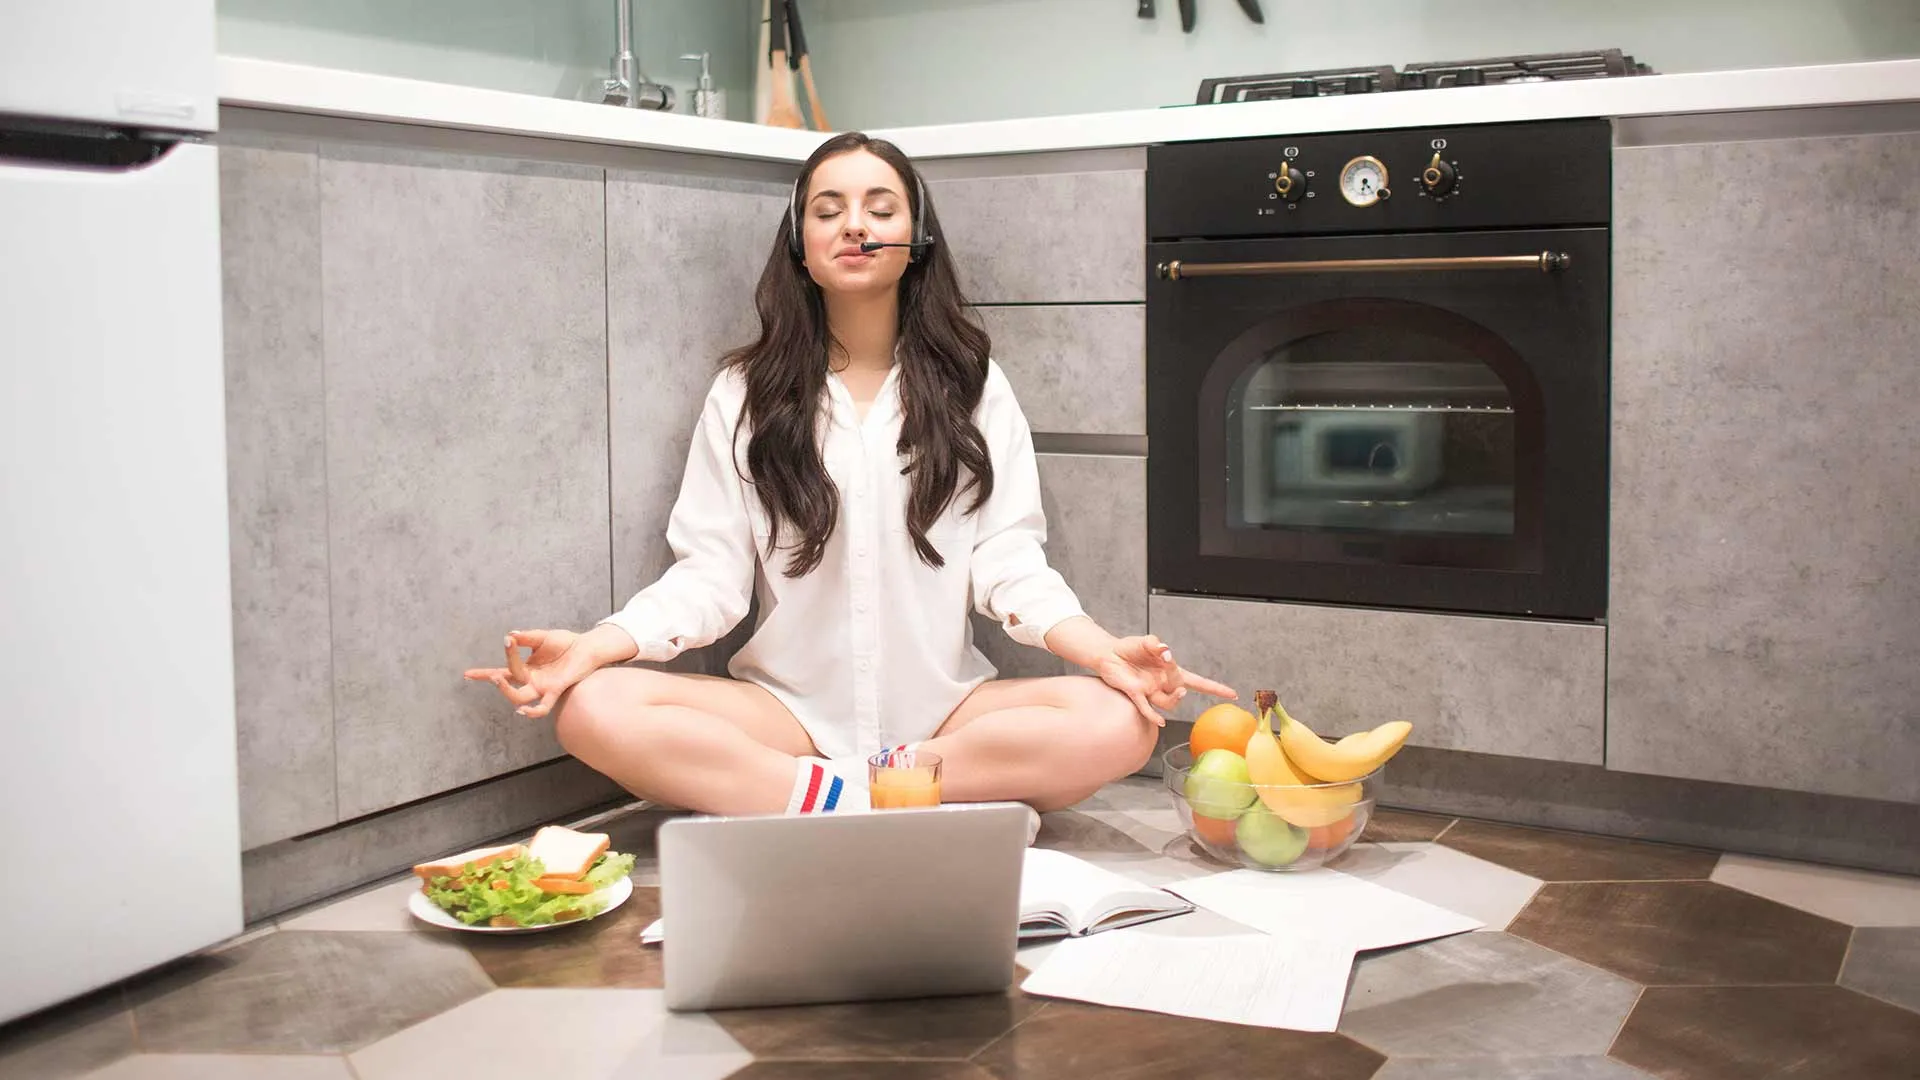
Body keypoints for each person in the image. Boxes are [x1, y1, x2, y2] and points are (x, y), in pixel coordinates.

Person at [466, 132, 1235, 823]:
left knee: (1122, 722)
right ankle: (869, 804)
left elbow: (1009, 564)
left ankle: (817, 798)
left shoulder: (974, 385)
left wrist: (1099, 648)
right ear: (800, 246)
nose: (855, 226)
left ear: (917, 239)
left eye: (881, 208)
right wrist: (599, 646)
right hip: (785, 716)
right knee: (592, 707)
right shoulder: (744, 392)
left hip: (945, 719)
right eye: (828, 210)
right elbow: (710, 577)